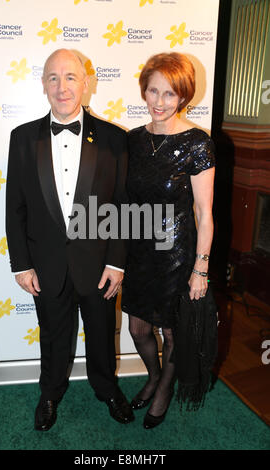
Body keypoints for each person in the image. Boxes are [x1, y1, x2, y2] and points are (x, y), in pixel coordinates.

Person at [6, 49, 134, 431]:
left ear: (86, 82)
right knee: (53, 337)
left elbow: (122, 205)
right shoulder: (22, 138)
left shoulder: (115, 139)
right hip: (46, 265)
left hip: (97, 266)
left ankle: (108, 388)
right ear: (43, 84)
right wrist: (21, 263)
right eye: (53, 78)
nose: (62, 87)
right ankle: (50, 394)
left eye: (71, 77)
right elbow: (15, 208)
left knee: (100, 335)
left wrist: (116, 262)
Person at [121, 52, 215, 429]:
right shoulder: (131, 141)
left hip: (177, 255)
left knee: (173, 332)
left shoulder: (197, 143)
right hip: (140, 251)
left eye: (170, 94)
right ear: (144, 90)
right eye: (153, 91)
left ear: (183, 97)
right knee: (138, 329)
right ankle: (154, 375)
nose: (159, 102)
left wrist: (200, 268)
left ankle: (163, 388)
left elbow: (205, 213)